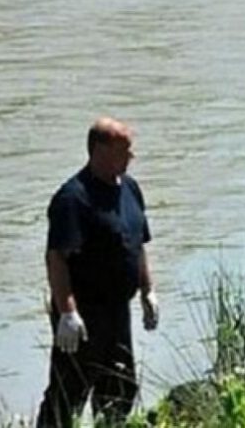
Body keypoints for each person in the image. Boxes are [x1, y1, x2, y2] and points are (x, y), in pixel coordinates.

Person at [37, 117, 159, 427]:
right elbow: (57, 258)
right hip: (83, 315)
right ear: (99, 151)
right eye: (124, 150)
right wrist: (66, 312)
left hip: (118, 310)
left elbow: (137, 244)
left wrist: (148, 291)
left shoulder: (130, 188)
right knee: (68, 392)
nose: (131, 157)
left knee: (119, 387)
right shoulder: (73, 198)